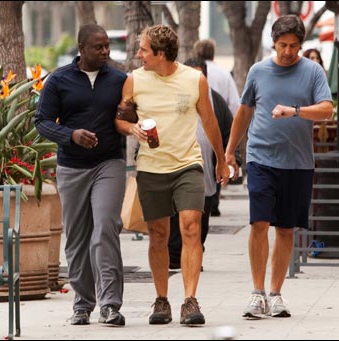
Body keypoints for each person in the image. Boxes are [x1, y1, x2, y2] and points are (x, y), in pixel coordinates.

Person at [114, 24, 229, 326]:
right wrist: (131, 128)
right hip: (151, 167)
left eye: (143, 50)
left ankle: (190, 300)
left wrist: (221, 159)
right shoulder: (134, 81)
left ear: (160, 54)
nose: (138, 55)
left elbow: (210, 121)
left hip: (187, 164)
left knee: (191, 226)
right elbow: (119, 119)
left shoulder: (194, 80)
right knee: (158, 234)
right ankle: (162, 299)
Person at [224, 14, 332, 319]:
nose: (288, 51)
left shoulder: (312, 72)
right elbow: (244, 113)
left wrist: (294, 111)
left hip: (297, 163)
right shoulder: (258, 71)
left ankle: (276, 294)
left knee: (285, 229)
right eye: (283, 45)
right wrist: (230, 152)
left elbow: (326, 110)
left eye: (294, 46)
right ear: (274, 43)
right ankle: (257, 294)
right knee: (259, 223)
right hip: (261, 158)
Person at [35, 24, 127, 327]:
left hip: (109, 163)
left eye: (107, 47)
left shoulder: (119, 79)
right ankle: (82, 304)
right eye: (98, 47)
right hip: (72, 166)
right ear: (81, 48)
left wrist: (132, 116)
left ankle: (111, 304)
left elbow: (129, 116)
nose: (105, 52)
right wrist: (70, 135)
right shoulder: (59, 80)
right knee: (76, 238)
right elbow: (42, 122)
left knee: (106, 227)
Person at [168, 57, 237, 270]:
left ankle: (195, 250)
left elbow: (227, 130)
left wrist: (229, 160)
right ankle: (175, 255)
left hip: (207, 169)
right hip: (177, 167)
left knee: (202, 217)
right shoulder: (174, 98)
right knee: (176, 216)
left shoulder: (215, 100)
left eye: (199, 75)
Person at [193, 39, 241, 217]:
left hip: (203, 130)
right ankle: (213, 201)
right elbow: (235, 106)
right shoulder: (224, 74)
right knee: (215, 166)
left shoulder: (188, 73)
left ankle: (208, 203)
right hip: (220, 125)